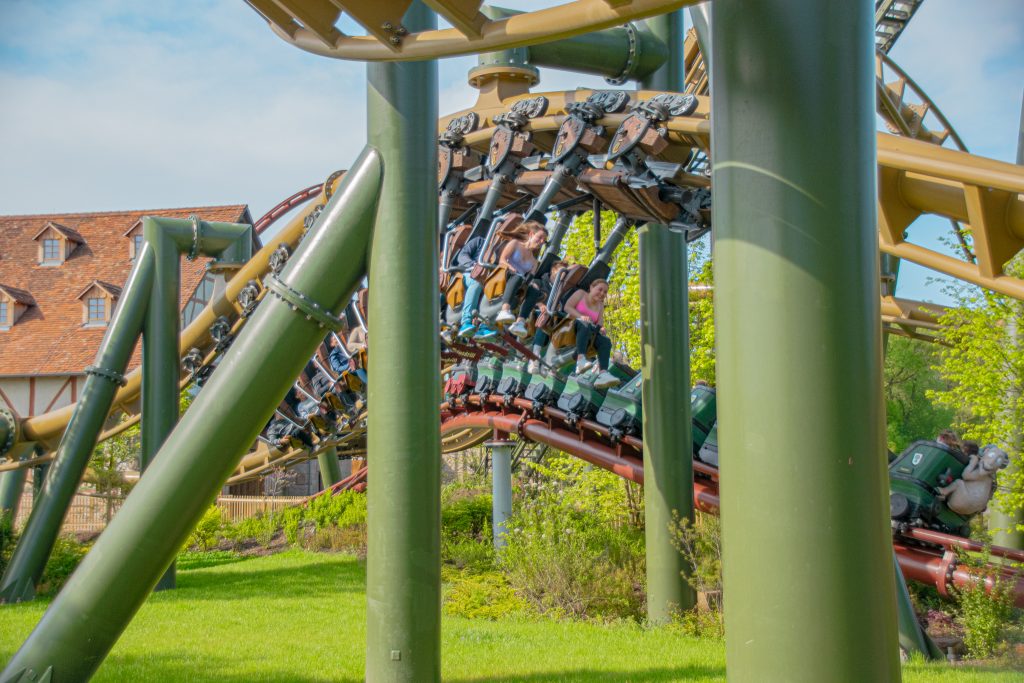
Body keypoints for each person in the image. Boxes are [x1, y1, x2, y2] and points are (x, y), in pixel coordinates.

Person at [563, 279, 619, 389]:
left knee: (606, 341)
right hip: (570, 327)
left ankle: (603, 373)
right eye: (600, 289)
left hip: (587, 332)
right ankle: (581, 360)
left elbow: (599, 323)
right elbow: (567, 307)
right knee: (585, 324)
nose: (602, 293)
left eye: (605, 292)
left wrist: (602, 329)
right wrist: (580, 316)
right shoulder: (580, 294)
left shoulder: (600, 305)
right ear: (591, 287)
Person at [495, 223, 547, 327]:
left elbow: (529, 277)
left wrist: (532, 284)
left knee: (535, 290)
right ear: (531, 234)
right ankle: (504, 310)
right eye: (540, 237)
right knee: (518, 277)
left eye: (544, 240)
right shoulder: (515, 244)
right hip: (505, 275)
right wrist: (512, 269)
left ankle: (520, 322)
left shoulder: (534, 262)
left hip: (519, 282)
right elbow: (502, 260)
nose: (541, 242)